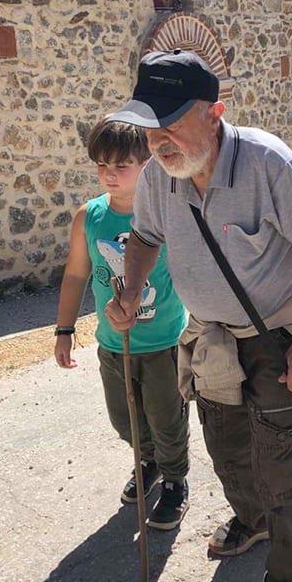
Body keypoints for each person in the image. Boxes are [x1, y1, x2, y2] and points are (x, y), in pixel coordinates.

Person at [106, 49, 292, 582]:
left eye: (170, 124)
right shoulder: (162, 174)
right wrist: (132, 290)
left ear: (214, 114)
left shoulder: (267, 162)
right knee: (227, 449)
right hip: (210, 340)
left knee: (282, 470)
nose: (157, 140)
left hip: (278, 339)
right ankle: (252, 520)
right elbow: (142, 236)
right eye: (149, 125)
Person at [54, 117, 190, 530]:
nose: (110, 175)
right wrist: (64, 330)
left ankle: (174, 481)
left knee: (167, 418)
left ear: (148, 163)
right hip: (113, 343)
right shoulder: (89, 217)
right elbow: (77, 274)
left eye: (122, 166)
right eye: (101, 166)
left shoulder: (168, 211)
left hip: (164, 340)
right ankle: (146, 461)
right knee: (125, 417)